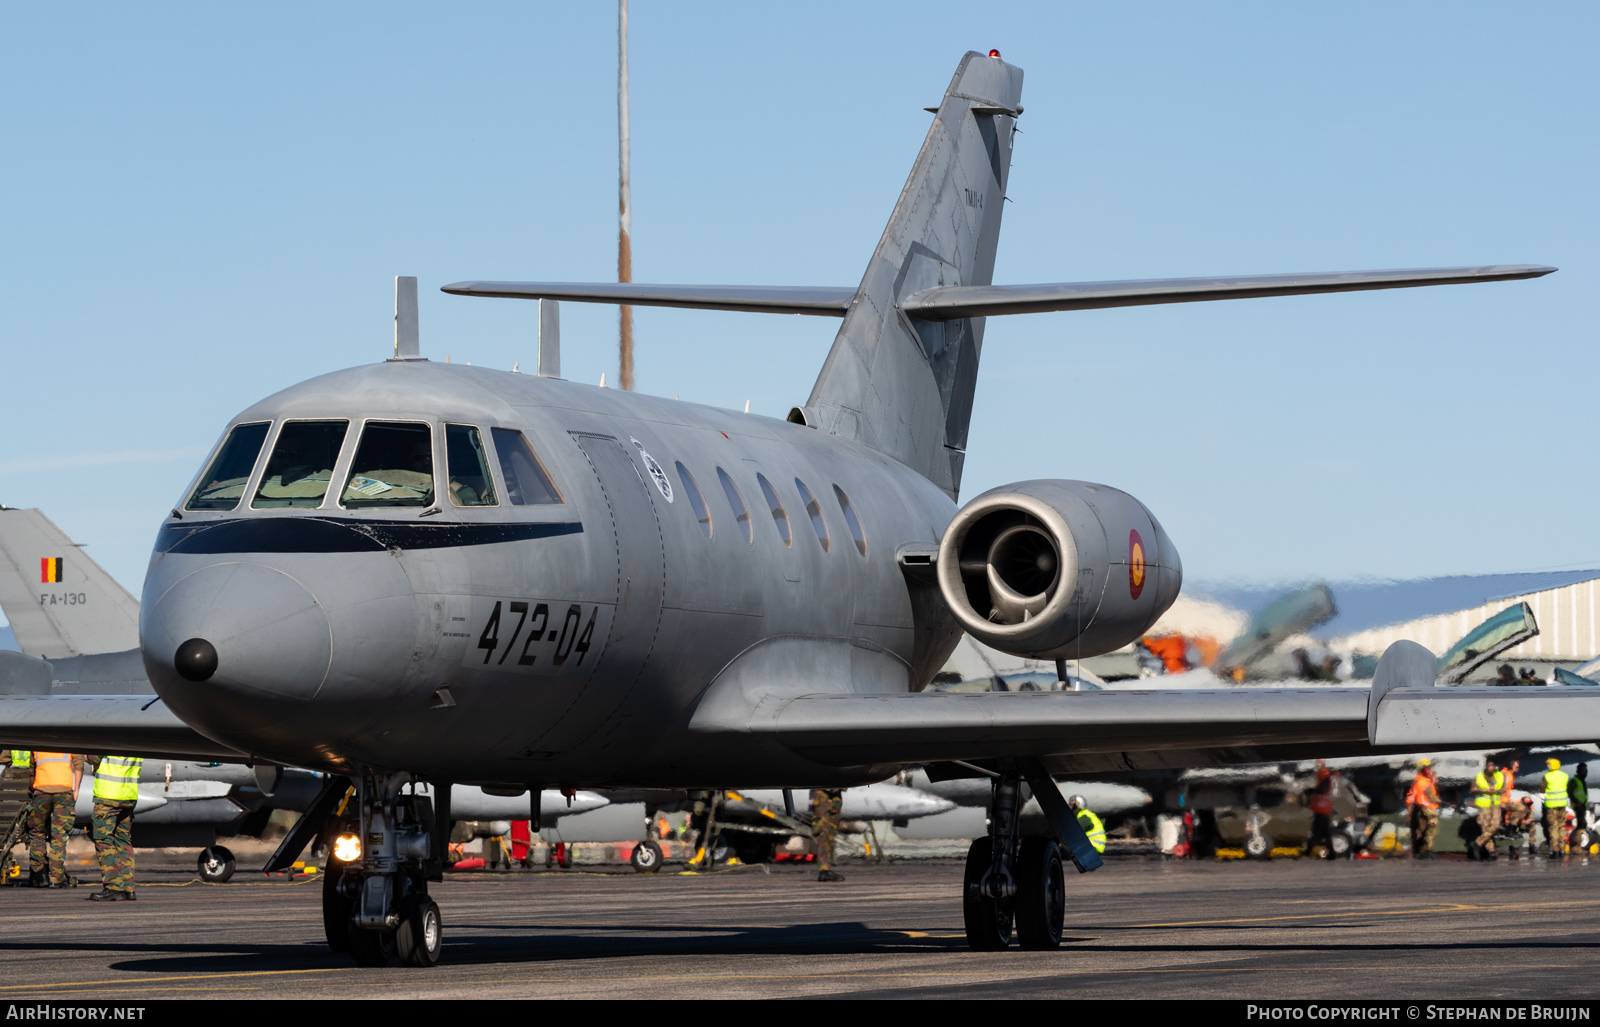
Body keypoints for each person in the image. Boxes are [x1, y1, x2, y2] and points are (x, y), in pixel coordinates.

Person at [25, 751, 86, 888]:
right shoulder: (69, 739)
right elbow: (79, 766)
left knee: (37, 833)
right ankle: (56, 879)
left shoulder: (37, 742)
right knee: (58, 836)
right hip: (64, 793)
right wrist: (76, 790)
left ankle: (40, 876)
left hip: (41, 792)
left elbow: (32, 770)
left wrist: (32, 789)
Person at [86, 754, 142, 900]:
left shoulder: (108, 733)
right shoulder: (137, 736)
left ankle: (113, 887)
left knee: (103, 840)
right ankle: (129, 888)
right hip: (128, 795)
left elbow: (92, 758)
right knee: (123, 841)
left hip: (108, 795)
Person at [1472, 759, 1506, 859]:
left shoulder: (1499, 775)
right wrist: (1484, 790)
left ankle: (1477, 843)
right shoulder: (1479, 776)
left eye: (1493, 765)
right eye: (1489, 765)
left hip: (1495, 804)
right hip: (1484, 805)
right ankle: (1491, 851)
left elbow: (1504, 788)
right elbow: (1473, 790)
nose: (1491, 767)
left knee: (1495, 826)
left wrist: (1497, 790)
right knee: (1485, 828)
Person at [1406, 759, 1441, 858]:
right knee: (1429, 828)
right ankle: (1425, 851)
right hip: (1424, 808)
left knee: (1422, 829)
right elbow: (1429, 797)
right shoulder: (1423, 782)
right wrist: (1439, 801)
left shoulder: (1422, 780)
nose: (1430, 771)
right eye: (1428, 769)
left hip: (1420, 808)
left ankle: (1420, 851)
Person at [811, 788, 844, 882]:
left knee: (830, 835)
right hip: (823, 793)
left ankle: (826, 869)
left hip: (836, 793)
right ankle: (824, 870)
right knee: (823, 836)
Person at [1305, 764, 1336, 858]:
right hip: (1321, 810)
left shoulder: (1325, 776)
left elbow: (1323, 789)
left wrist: (1313, 791)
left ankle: (1308, 851)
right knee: (1321, 833)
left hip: (1322, 810)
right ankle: (1331, 853)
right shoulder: (1323, 776)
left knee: (1319, 833)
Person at [1542, 758, 1570, 856]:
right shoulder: (1565, 775)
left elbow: (1542, 788)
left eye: (1548, 764)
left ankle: (1555, 851)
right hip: (1562, 805)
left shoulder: (1547, 776)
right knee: (1561, 827)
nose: (1547, 766)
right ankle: (1562, 850)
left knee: (1553, 827)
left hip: (1551, 806)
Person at [1571, 763, 1590, 835]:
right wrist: (1577, 803)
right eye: (1584, 770)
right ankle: (1577, 842)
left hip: (1583, 807)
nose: (1586, 772)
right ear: (1579, 771)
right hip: (1578, 807)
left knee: (1582, 826)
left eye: (1586, 770)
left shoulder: (1583, 782)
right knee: (1581, 826)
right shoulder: (1575, 781)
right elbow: (1569, 793)